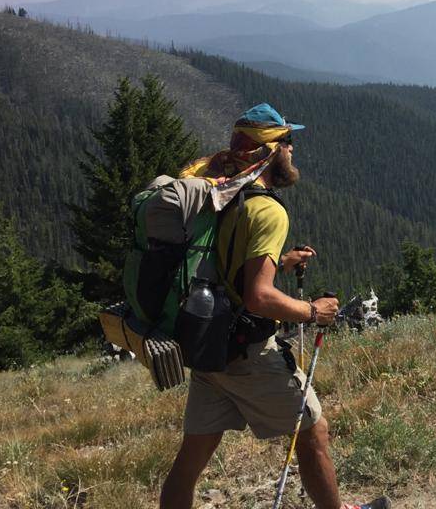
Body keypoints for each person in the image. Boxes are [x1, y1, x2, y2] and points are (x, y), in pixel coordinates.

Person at [159, 103, 389, 509]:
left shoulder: (224, 195)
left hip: (210, 349)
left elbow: (229, 269)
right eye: (288, 141)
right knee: (313, 430)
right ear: (271, 150)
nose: (292, 150)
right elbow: (258, 297)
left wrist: (282, 262)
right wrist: (313, 311)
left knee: (192, 457)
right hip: (247, 354)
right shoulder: (266, 209)